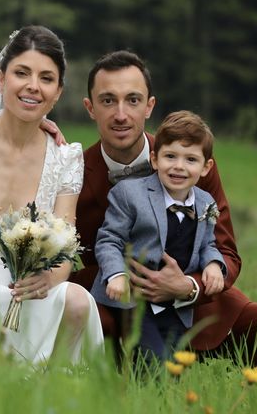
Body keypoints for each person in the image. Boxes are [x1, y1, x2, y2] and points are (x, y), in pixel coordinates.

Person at [73, 50, 257, 369]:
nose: (120, 114)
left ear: (149, 106)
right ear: (90, 108)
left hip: (201, 308)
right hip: (118, 311)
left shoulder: (188, 161)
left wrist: (189, 285)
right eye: (107, 100)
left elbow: (225, 251)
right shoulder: (71, 172)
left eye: (132, 100)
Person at [0, 26, 103, 364]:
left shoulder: (65, 158)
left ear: (58, 92)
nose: (33, 86)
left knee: (77, 299)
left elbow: (65, 247)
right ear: (0, 79)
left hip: (23, 292)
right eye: (21, 73)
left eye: (46, 78)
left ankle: (52, 394)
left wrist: (46, 279)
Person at [91, 110, 226, 360]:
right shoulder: (130, 194)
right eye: (170, 156)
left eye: (190, 160)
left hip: (174, 305)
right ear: (155, 159)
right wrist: (116, 275)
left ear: (206, 167)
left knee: (175, 365)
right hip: (132, 299)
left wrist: (214, 264)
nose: (178, 166)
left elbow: (207, 242)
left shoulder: (206, 202)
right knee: (153, 360)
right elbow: (109, 239)